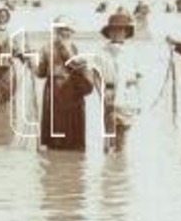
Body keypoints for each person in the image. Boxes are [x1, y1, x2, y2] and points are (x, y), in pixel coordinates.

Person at [26, 16, 93, 151]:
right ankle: (56, 150)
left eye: (68, 29)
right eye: (62, 29)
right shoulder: (46, 48)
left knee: (73, 125)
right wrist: (31, 63)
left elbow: (85, 70)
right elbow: (41, 73)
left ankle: (71, 152)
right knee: (56, 123)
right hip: (54, 89)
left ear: (71, 31)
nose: (65, 32)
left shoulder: (76, 48)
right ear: (57, 31)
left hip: (74, 90)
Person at [97, 12, 143, 153]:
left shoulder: (133, 52)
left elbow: (139, 77)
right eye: (114, 30)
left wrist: (139, 100)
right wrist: (101, 94)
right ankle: (109, 162)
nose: (117, 33)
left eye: (121, 30)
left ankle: (119, 166)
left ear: (126, 33)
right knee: (109, 133)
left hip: (128, 95)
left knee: (123, 133)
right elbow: (95, 76)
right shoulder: (102, 52)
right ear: (109, 33)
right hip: (109, 93)